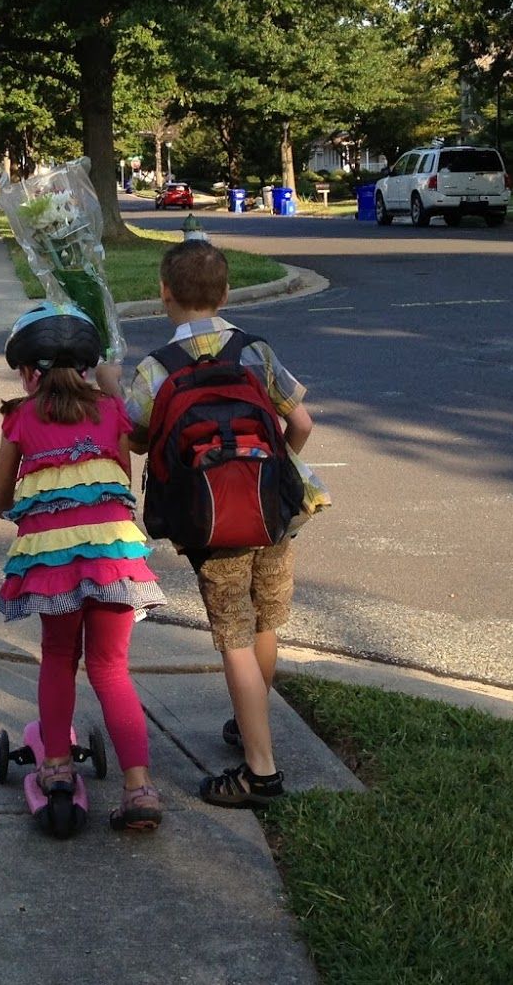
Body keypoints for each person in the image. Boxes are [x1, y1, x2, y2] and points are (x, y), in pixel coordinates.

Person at [118, 239, 326, 809]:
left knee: (231, 633)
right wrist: (274, 465)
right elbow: (301, 422)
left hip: (212, 522)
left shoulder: (156, 368)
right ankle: (249, 719)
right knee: (263, 621)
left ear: (164, 294)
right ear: (227, 292)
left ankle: (260, 771)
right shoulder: (255, 352)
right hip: (275, 510)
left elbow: (134, 436)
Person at [0, 302, 168, 832]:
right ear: (88, 365)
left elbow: (0, 494)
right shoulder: (112, 411)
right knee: (111, 669)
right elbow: (122, 470)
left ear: (27, 373)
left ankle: (58, 768)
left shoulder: (19, 417)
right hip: (113, 559)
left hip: (53, 564)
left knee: (59, 657)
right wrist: (114, 388)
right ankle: (140, 790)